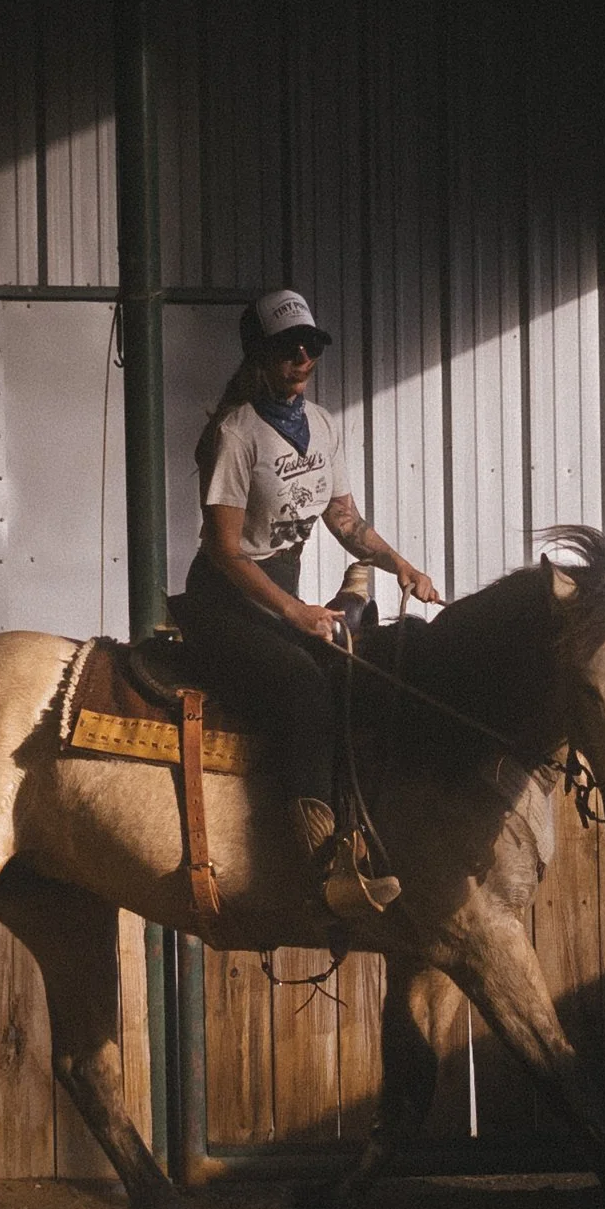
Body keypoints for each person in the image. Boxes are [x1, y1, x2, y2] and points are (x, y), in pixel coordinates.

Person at [175, 288, 441, 917]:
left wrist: (399, 564)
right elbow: (223, 550)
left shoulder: (321, 425)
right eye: (286, 345)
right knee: (303, 688)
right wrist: (295, 613)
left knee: (357, 673)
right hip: (226, 600)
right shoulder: (235, 434)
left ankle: (363, 833)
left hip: (281, 594)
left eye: (310, 344)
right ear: (260, 354)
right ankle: (319, 865)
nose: (302, 355)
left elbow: (344, 521)